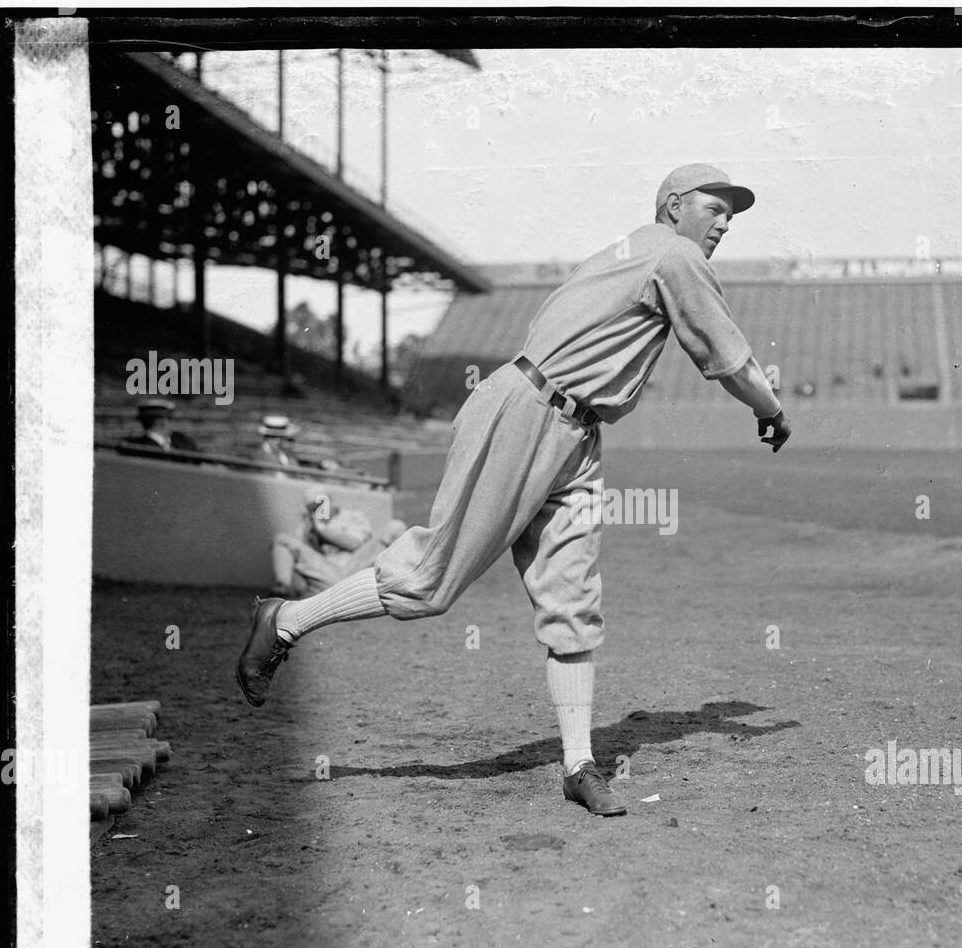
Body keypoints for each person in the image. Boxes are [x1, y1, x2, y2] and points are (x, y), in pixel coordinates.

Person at [237, 163, 791, 817]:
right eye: (715, 207)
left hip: (576, 432)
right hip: (528, 410)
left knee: (573, 598)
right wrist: (771, 409)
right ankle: (287, 619)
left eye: (733, 212)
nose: (725, 221)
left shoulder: (631, 252)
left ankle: (579, 763)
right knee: (431, 580)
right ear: (674, 206)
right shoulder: (674, 254)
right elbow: (731, 361)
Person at [272, 488, 408, 599]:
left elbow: (356, 544)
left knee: (395, 526)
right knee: (282, 539)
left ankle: (403, 584)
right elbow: (301, 559)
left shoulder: (351, 516)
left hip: (355, 568)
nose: (319, 510)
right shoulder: (307, 526)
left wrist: (324, 531)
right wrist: (310, 531)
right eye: (313, 507)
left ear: (330, 500)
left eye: (321, 504)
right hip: (327, 575)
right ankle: (283, 587)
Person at [120, 398, 199, 455]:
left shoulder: (181, 441)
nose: (173, 424)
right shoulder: (136, 447)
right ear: (161, 422)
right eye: (170, 419)